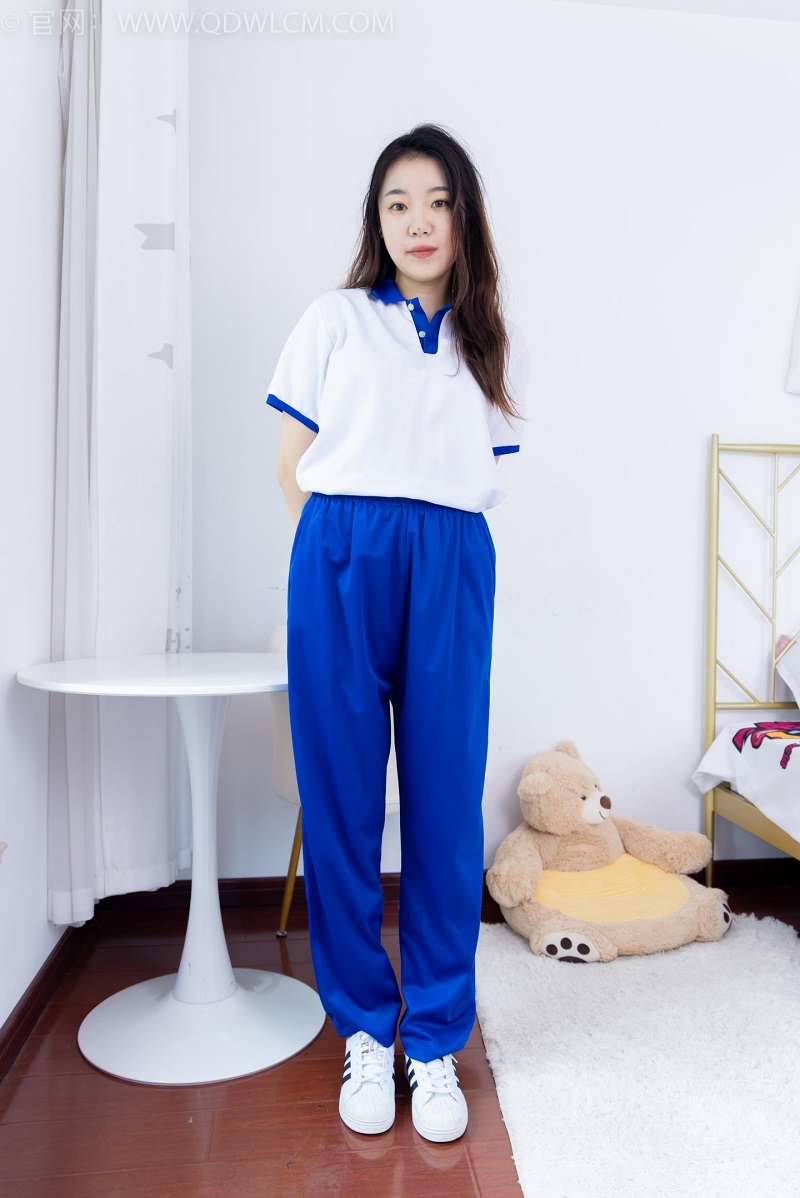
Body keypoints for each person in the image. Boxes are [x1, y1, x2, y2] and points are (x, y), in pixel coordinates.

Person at [265, 123, 529, 1144]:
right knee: (340, 803)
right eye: (397, 203)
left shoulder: (486, 340)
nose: (418, 222)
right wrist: (338, 558)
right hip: (341, 552)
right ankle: (366, 1032)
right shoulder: (334, 319)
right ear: (376, 221)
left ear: (465, 217)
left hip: (452, 561)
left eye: (438, 202)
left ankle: (434, 1039)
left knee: (444, 806)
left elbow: (475, 465)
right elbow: (290, 463)